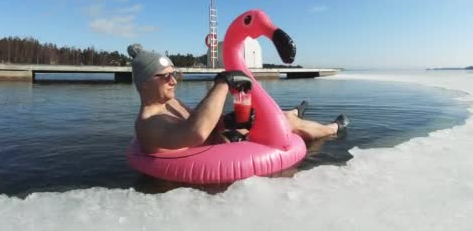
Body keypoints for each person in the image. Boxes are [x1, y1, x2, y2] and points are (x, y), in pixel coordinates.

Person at [128, 44, 349, 154]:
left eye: (174, 74)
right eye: (166, 76)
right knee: (285, 124)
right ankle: (332, 128)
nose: (174, 80)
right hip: (217, 155)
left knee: (274, 117)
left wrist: (229, 121)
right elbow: (195, 133)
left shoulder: (170, 103)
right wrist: (223, 81)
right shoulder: (148, 124)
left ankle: (293, 112)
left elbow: (199, 121)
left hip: (225, 141)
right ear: (145, 82)